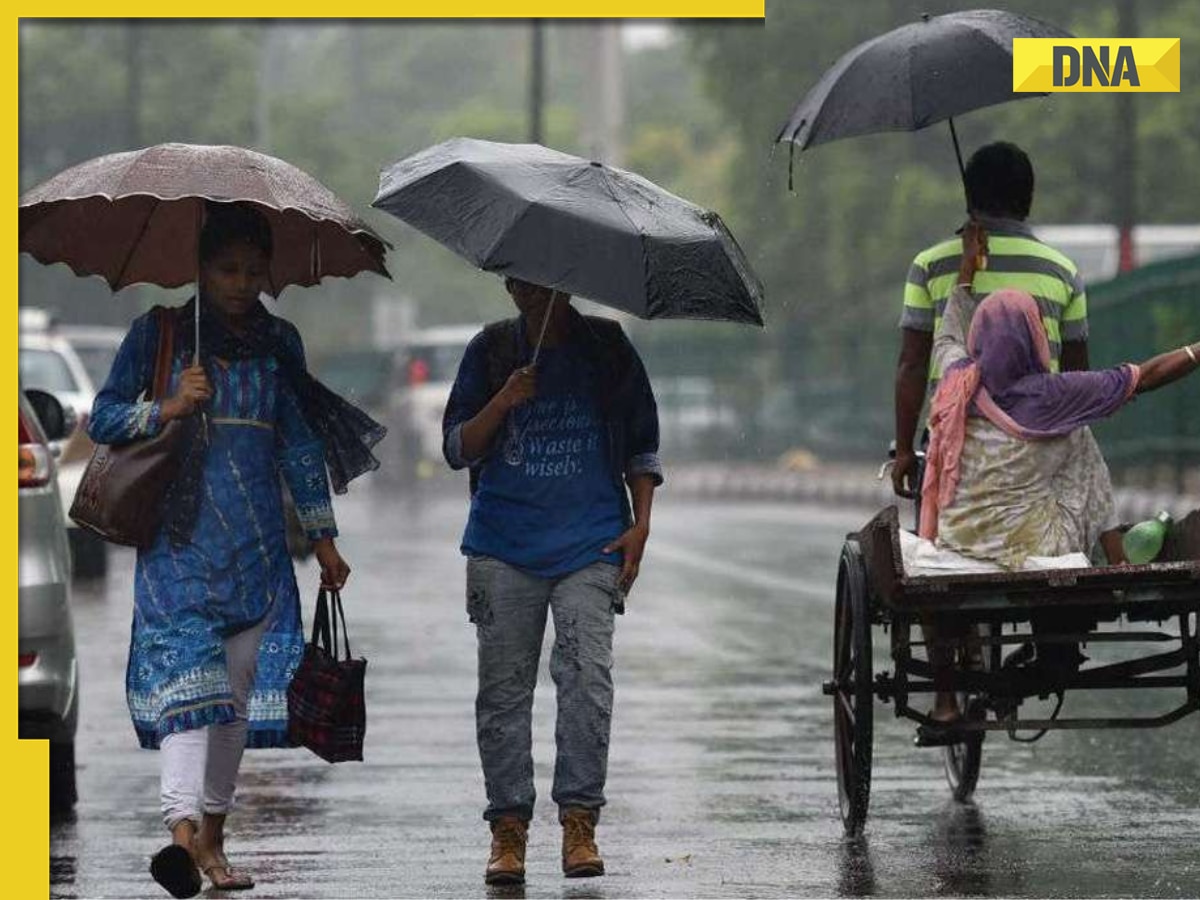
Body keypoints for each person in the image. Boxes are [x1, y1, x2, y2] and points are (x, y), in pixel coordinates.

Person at [89, 201, 384, 897]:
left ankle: (211, 840)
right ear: (200, 268)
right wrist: (163, 407)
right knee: (192, 695)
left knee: (235, 703)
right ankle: (181, 835)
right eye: (227, 269)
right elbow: (101, 416)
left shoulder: (280, 343)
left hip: (257, 552)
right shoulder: (158, 334)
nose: (241, 282)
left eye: (254, 270)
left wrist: (325, 537)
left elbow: (300, 444)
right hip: (179, 550)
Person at [917, 221, 1200, 724]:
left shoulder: (957, 377)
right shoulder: (1056, 396)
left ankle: (947, 700)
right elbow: (1147, 376)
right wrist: (1199, 350)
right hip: (1035, 546)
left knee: (1073, 438)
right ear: (1033, 339)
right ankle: (1116, 554)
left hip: (960, 540)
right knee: (1080, 437)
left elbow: (948, 329)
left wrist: (967, 269)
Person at [442, 277, 662, 885]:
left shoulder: (609, 347)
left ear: (568, 281)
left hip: (591, 544)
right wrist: (503, 401)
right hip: (502, 547)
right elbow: (458, 447)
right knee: (504, 693)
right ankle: (508, 833)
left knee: (587, 678)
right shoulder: (489, 351)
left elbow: (643, 446)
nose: (532, 294)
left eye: (546, 284)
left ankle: (579, 823)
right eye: (521, 283)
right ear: (509, 284)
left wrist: (641, 527)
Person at [894, 141, 1090, 499]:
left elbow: (913, 364)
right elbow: (1076, 376)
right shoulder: (1064, 273)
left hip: (952, 445)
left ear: (970, 196)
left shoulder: (930, 266)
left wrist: (905, 450)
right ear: (1028, 199)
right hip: (1038, 444)